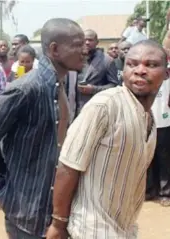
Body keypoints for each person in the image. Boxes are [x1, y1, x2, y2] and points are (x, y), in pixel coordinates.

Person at [0, 18, 85, 239]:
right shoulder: (27, 88)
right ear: (55, 49)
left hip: (51, 210)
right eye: (77, 45)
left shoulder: (59, 85)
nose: (84, 50)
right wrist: (2, 181)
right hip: (26, 213)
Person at [47, 40, 167, 239]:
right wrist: (58, 224)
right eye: (132, 64)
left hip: (124, 229)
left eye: (151, 65)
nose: (140, 70)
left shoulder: (149, 119)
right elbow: (68, 166)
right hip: (90, 229)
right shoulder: (105, 105)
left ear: (166, 74)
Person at [76, 29, 119, 114]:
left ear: (97, 42)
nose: (87, 42)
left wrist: (94, 89)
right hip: (74, 110)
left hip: (96, 109)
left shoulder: (107, 61)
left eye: (90, 40)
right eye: (84, 40)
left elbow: (114, 86)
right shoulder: (73, 59)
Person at [146, 60, 170, 206]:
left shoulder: (167, 75)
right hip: (146, 121)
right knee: (147, 157)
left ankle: (164, 192)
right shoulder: (144, 75)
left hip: (165, 121)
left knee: (163, 157)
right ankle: (148, 191)